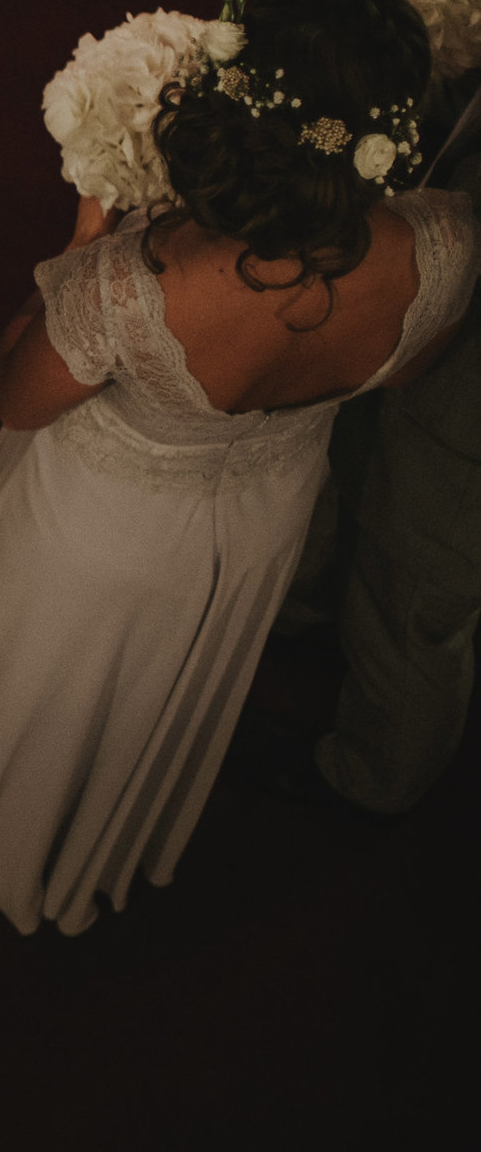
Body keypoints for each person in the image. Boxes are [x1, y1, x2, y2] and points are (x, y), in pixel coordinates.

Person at [0, 0, 476, 945]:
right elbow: (399, 374)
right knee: (133, 696)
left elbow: (16, 398)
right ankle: (71, 842)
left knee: (31, 686)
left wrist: (82, 234)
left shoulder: (135, 283)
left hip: (98, 534)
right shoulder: (443, 244)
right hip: (263, 517)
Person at [267, 76, 481, 814]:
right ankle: (316, 619)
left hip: (463, 436)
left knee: (413, 610)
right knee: (355, 486)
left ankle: (369, 780)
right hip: (415, 366)